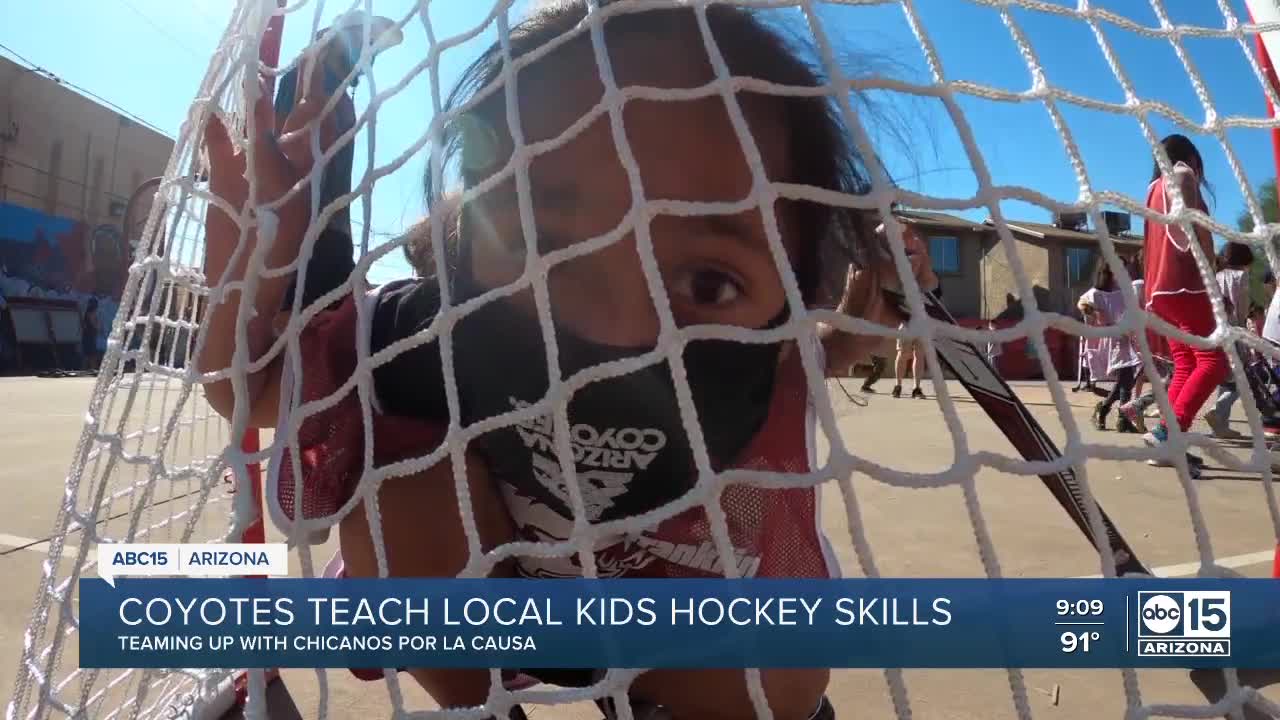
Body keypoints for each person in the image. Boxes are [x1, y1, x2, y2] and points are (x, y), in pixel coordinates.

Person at [197, 3, 908, 718]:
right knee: (396, 484)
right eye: (545, 246)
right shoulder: (425, 334)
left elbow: (825, 353)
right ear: (469, 236)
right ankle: (475, 706)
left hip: (674, 613)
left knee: (772, 679)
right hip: (502, 602)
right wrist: (253, 264)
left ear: (785, 295)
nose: (613, 327)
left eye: (707, 281)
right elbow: (247, 391)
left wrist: (864, 316)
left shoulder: (756, 359)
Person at [1141, 134, 1226, 476]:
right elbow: (1197, 230)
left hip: (1160, 291)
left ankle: (1164, 443)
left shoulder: (1151, 189)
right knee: (1212, 361)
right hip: (1188, 284)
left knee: (1186, 363)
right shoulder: (1182, 174)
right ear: (1190, 156)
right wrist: (1212, 275)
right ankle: (1168, 433)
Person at [1203, 242, 1254, 439]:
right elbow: (1242, 306)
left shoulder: (1217, 275)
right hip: (1235, 330)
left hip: (1217, 331)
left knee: (1225, 379)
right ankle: (1218, 411)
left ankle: (1221, 425)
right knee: (1243, 378)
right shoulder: (1241, 276)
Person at [1088, 263, 1142, 432]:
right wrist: (1095, 313)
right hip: (1111, 339)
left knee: (1125, 381)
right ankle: (1120, 418)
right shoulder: (1094, 293)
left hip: (1126, 338)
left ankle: (1107, 411)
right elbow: (1083, 306)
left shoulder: (1125, 292)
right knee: (1125, 380)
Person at [888, 222, 939, 399]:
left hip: (922, 321)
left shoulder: (927, 273)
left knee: (920, 354)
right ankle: (898, 385)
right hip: (905, 320)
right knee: (902, 354)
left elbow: (936, 294)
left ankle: (917, 388)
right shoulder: (899, 270)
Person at [81, 297, 101, 372]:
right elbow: (94, 324)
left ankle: (84, 369)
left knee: (87, 355)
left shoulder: (86, 313)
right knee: (92, 355)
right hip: (90, 336)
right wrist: (98, 327)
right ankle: (93, 369)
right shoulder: (91, 313)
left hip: (86, 335)